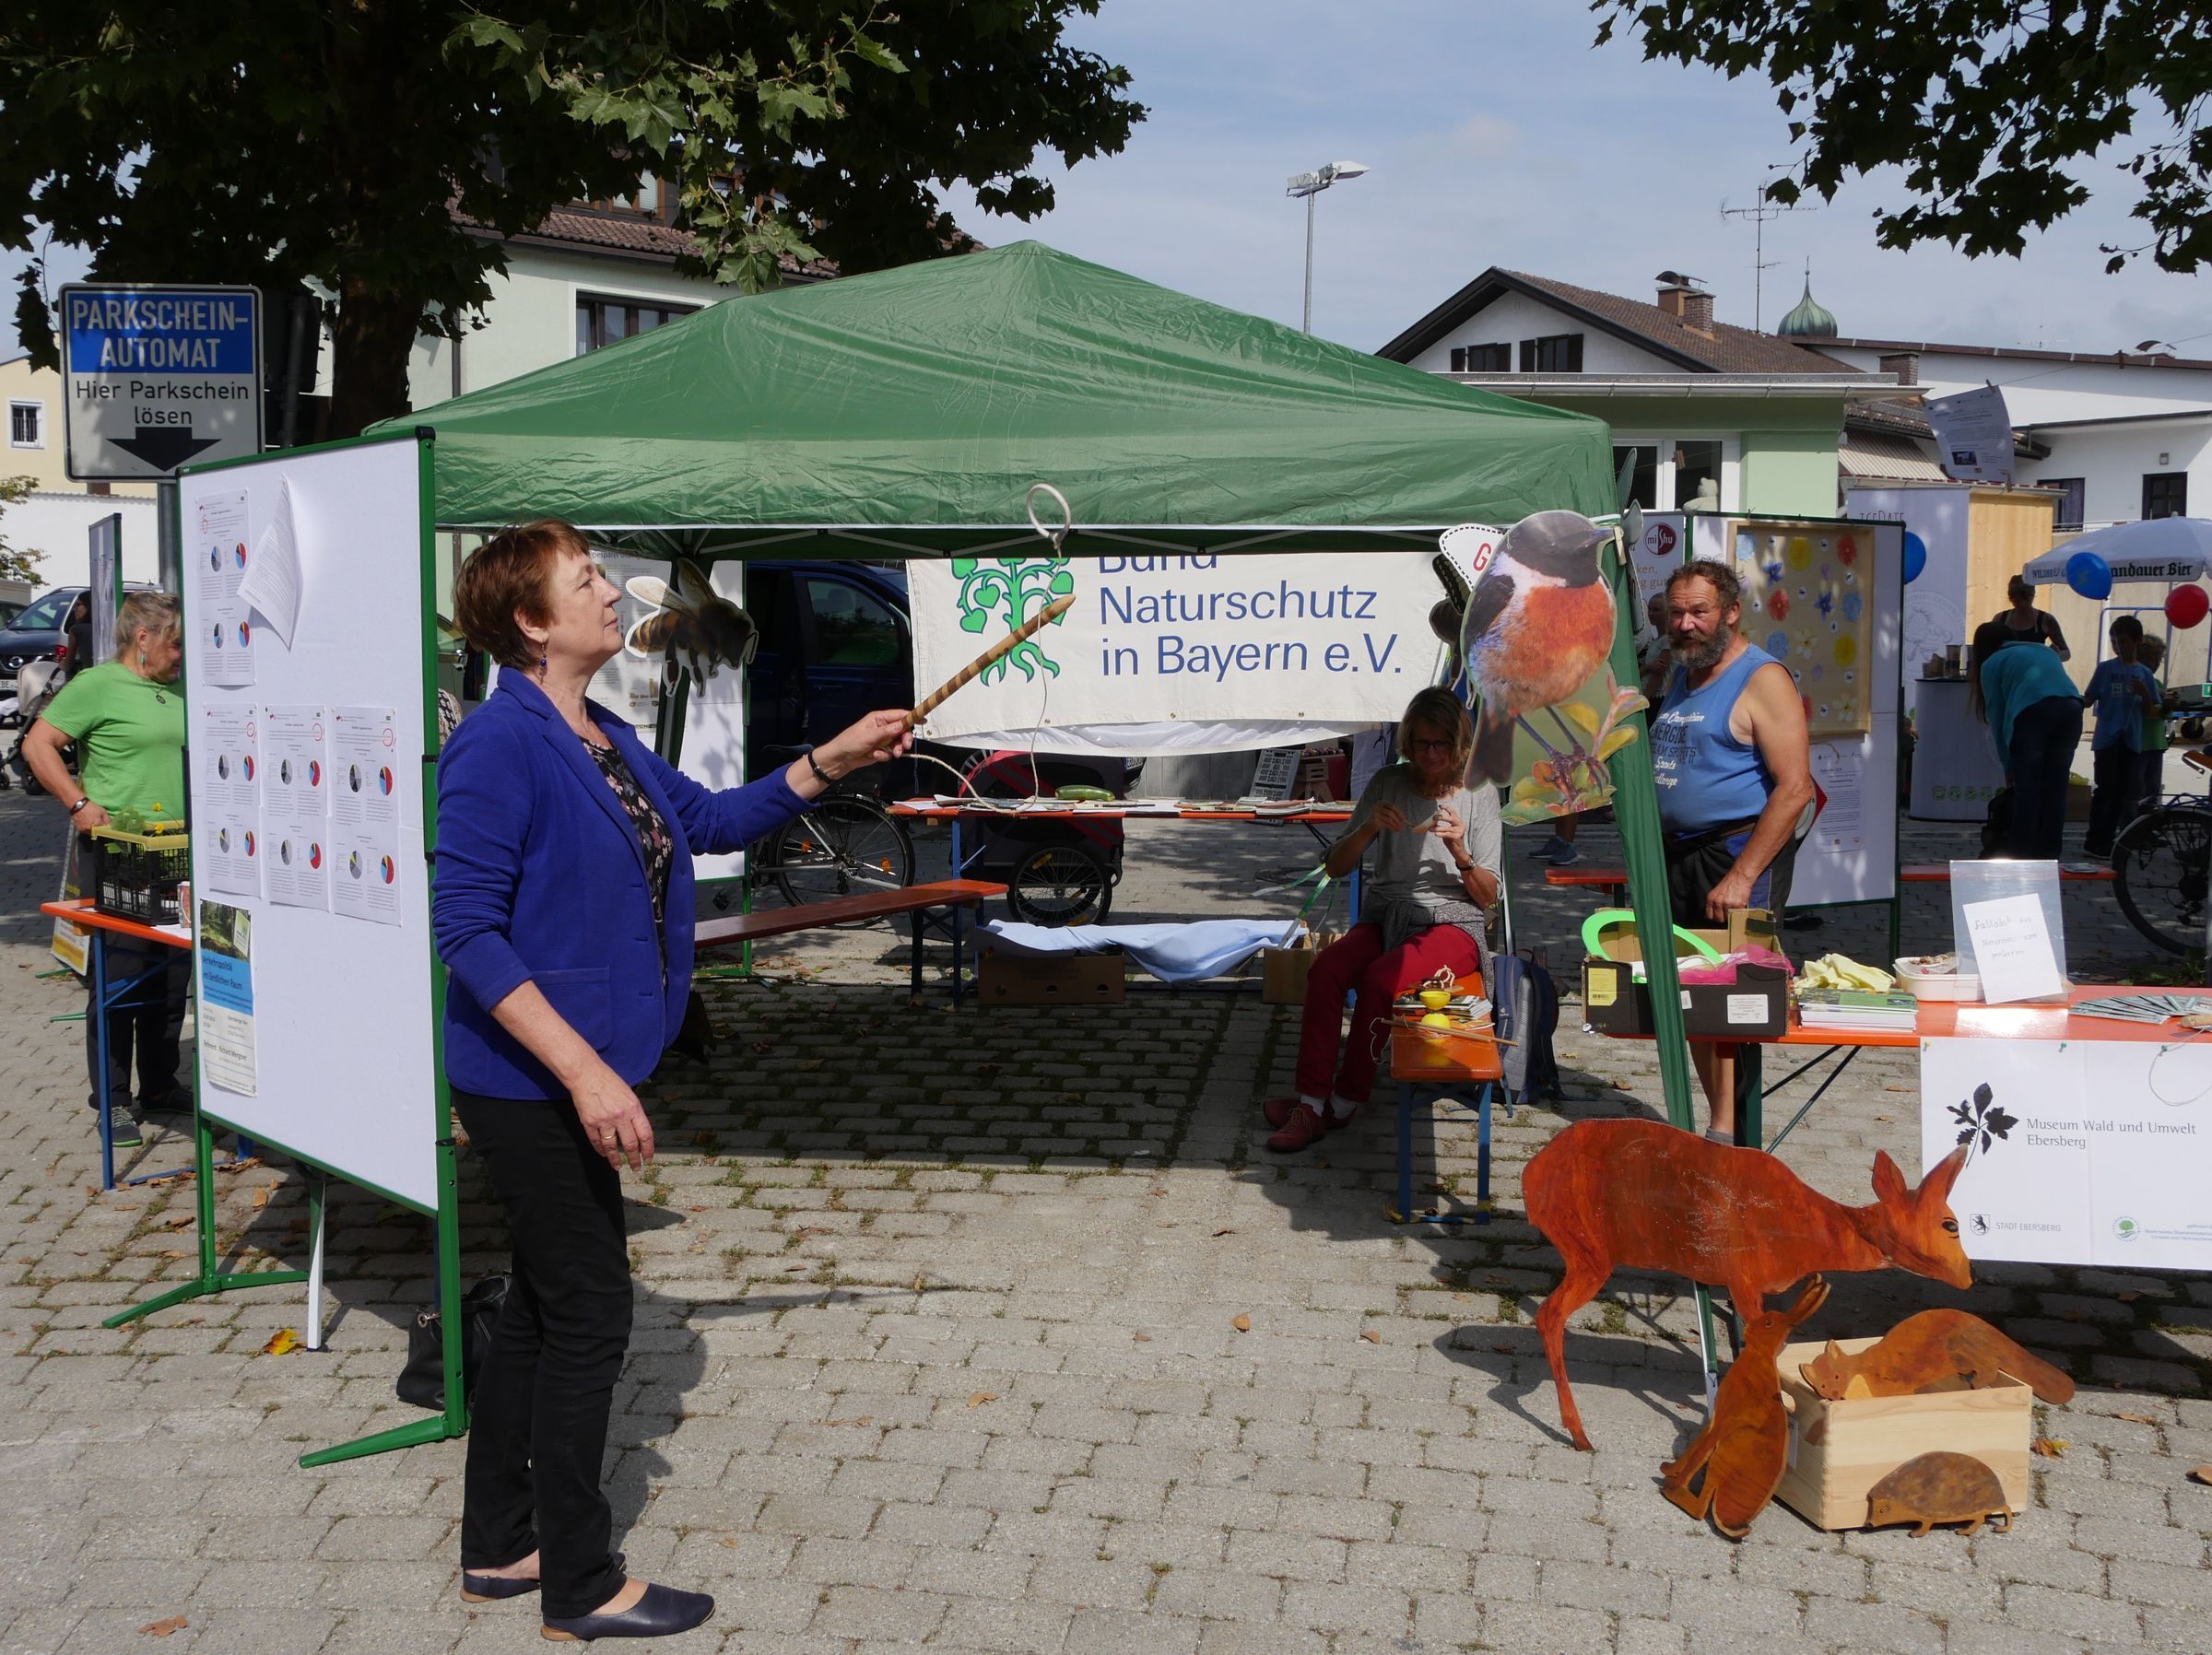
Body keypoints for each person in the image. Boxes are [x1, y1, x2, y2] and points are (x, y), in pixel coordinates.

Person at [433, 520, 912, 1641]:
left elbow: (704, 822)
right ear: (532, 619)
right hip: (525, 1075)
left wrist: (833, 757)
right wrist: (591, 1073)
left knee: (549, 1303)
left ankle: (501, 1546)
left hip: (568, 1065)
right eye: (587, 578)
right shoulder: (500, 743)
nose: (613, 591)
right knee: (593, 1310)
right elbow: (466, 929)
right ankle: (581, 1582)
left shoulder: (596, 729)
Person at [1262, 687, 1501, 1152]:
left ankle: (1347, 1099)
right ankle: (1311, 1103)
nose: (1430, 755)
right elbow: (1335, 867)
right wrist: (1369, 826)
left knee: (1380, 980)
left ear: (1459, 746)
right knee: (1327, 970)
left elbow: (1488, 899)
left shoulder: (1479, 791)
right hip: (1389, 912)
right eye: (1421, 744)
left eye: (1441, 745)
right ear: (1407, 743)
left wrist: (1460, 852)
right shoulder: (1389, 782)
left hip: (1452, 922)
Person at [1649, 560, 1816, 1144]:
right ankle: (1714, 1126)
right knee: (1692, 994)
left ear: (1731, 612)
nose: (1686, 624)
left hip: (1736, 857)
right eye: (1677, 613)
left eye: (1699, 611)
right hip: (1680, 858)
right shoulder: (1682, 673)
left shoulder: (1762, 678)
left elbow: (1794, 788)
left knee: (1732, 1000)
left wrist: (1744, 876)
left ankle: (1731, 1134)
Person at [22, 592, 190, 1149]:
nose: (181, 654)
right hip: (121, 855)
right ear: (143, 639)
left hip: (179, 851)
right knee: (121, 978)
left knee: (171, 978)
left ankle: (161, 1085)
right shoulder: (96, 685)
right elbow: (38, 744)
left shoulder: (181, 688)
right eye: (174, 643)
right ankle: (113, 1100)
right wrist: (76, 802)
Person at [1974, 621, 2084, 861]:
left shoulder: (1991, 664)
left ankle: (2021, 854)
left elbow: (1998, 716)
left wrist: (2008, 765)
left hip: (2033, 714)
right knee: (2056, 789)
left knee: (2028, 790)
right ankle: (2049, 852)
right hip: (2072, 708)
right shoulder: (2043, 650)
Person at [2081, 615, 2161, 861]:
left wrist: (2144, 694)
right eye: (2114, 642)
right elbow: (2089, 697)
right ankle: (2095, 840)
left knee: (2123, 791)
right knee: (2105, 789)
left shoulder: (2145, 673)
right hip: (2107, 738)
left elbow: (2152, 712)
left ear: (2137, 642)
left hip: (2132, 740)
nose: (2118, 646)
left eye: (2123, 642)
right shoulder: (2106, 669)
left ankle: (2111, 837)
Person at [2135, 634, 2173, 817]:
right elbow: (2147, 712)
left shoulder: (2157, 683)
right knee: (2138, 788)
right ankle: (2135, 827)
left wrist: (2169, 705)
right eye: (2152, 659)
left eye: (2159, 659)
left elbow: (2166, 714)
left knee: (2153, 789)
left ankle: (2149, 827)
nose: (2156, 663)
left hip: (2157, 744)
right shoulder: (2138, 682)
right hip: (2141, 743)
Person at [1994, 575, 2070, 661]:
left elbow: (2066, 652)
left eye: (2024, 599)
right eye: (2016, 599)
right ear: (2011, 597)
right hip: (2009, 671)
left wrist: (2050, 656)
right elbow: (1989, 649)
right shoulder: (2000, 619)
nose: (2020, 603)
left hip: (2033, 671)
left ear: (2032, 595)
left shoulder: (2046, 620)